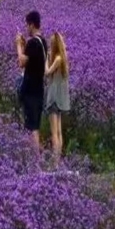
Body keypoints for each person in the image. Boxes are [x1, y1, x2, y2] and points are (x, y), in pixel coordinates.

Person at [15, 10, 48, 154]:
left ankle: (35, 161)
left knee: (32, 127)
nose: (26, 28)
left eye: (27, 25)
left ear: (32, 24)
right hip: (39, 89)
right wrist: (24, 46)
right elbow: (32, 60)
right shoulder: (43, 42)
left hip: (30, 90)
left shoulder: (33, 43)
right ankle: (34, 157)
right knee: (34, 125)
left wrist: (18, 45)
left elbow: (22, 62)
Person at [45, 32, 71, 168]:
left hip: (54, 98)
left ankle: (55, 164)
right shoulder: (64, 59)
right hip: (60, 99)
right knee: (59, 132)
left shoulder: (57, 59)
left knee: (54, 132)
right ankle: (58, 161)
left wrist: (45, 59)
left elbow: (47, 72)